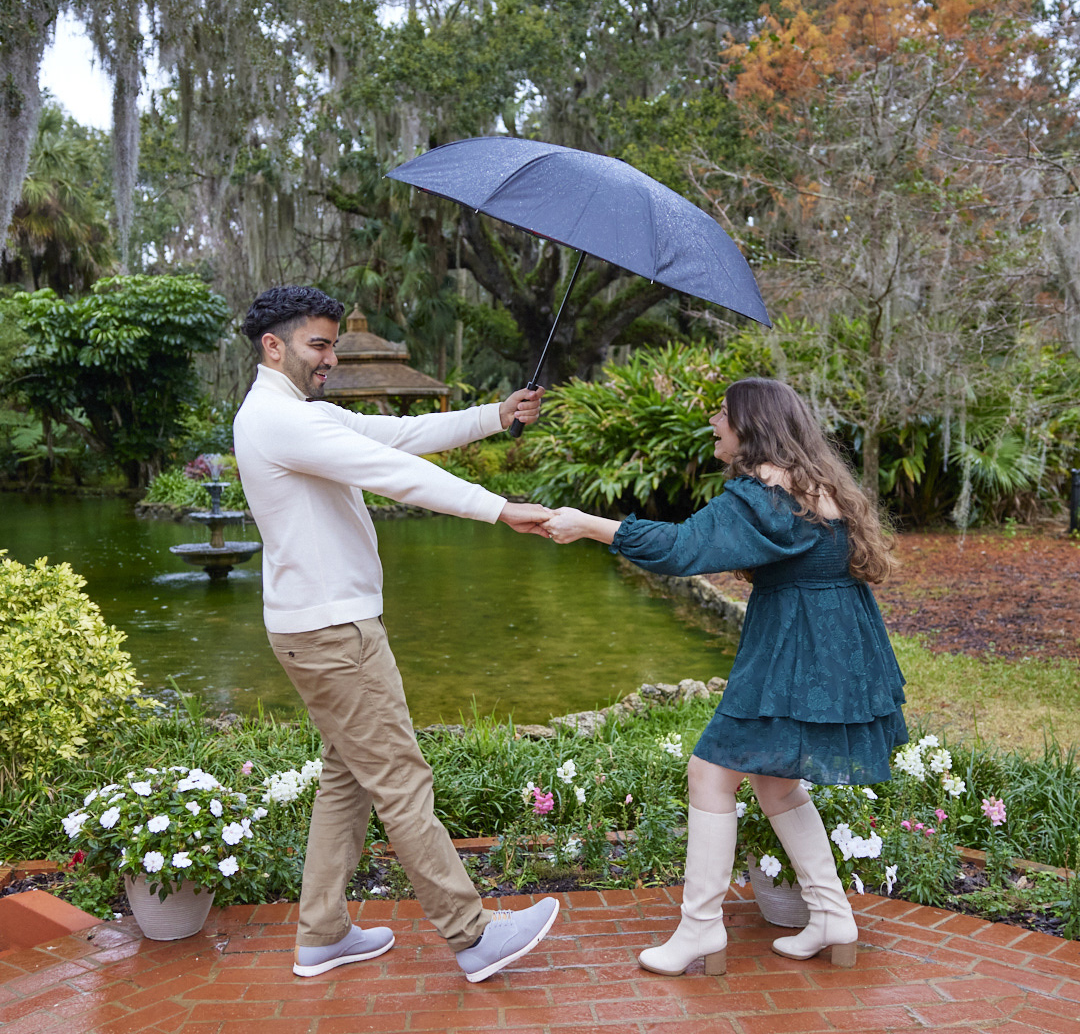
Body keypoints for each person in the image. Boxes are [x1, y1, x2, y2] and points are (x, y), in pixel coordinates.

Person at [233, 285, 559, 983]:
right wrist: (501, 509)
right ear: (274, 345)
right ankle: (472, 937)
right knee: (402, 780)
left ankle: (322, 935)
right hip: (332, 635)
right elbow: (398, 474)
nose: (329, 359)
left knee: (346, 780)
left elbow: (400, 435)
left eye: (332, 346)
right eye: (318, 345)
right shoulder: (280, 420)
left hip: (317, 628)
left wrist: (495, 417)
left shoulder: (292, 413)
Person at [544, 377, 907, 976]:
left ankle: (700, 930)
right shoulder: (814, 484)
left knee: (711, 772)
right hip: (835, 646)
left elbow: (682, 549)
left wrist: (589, 524)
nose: (714, 421)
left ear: (751, 424)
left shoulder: (763, 494)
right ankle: (831, 914)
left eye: (722, 412)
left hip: (795, 652)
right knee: (775, 782)